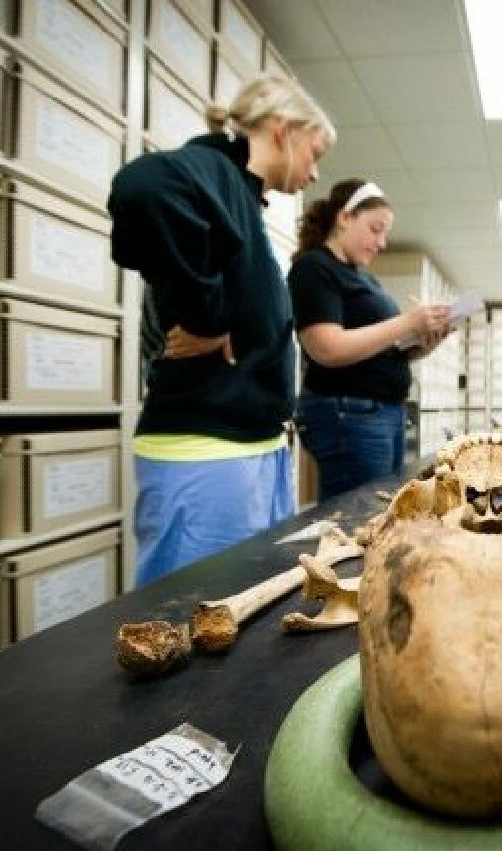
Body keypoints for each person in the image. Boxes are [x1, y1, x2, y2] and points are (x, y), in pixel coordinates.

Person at [107, 74, 336, 587]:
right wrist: (205, 319)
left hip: (250, 445)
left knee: (241, 608)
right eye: (314, 152)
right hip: (207, 447)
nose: (315, 172)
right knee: (190, 615)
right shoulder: (213, 169)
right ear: (283, 130)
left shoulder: (240, 196)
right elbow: (142, 188)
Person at [288, 179, 451, 501]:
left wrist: (424, 341)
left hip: (383, 412)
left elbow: (383, 348)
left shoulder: (366, 279)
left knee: (380, 511)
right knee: (357, 519)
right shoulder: (315, 267)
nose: (382, 242)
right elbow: (326, 348)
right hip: (350, 413)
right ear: (345, 217)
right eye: (375, 229)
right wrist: (407, 321)